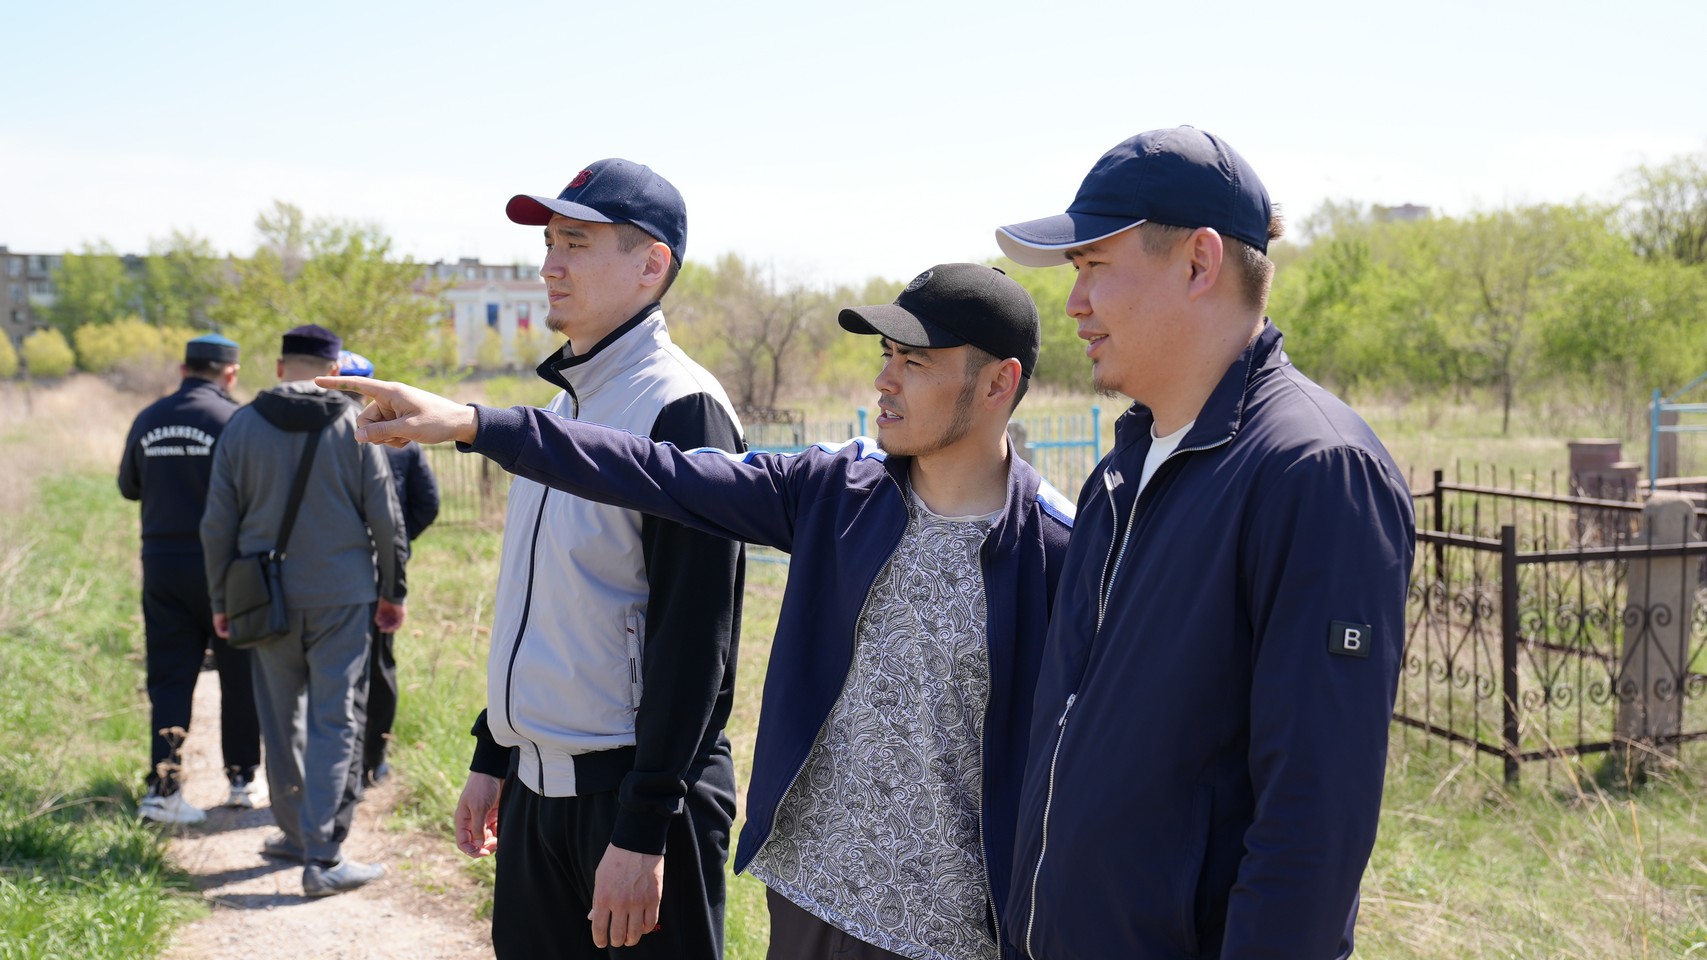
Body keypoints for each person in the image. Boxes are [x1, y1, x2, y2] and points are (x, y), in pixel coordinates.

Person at [324, 262, 1075, 960]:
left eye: (915, 361)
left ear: (997, 382)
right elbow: (656, 472)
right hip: (807, 899)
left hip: (951, 933)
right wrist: (475, 424)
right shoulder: (837, 491)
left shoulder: (1059, 555)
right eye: (886, 355)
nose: (885, 379)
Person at [988, 126, 1417, 959]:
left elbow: (1310, 827)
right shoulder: (1121, 471)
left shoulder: (1313, 472)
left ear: (1197, 262)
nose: (1073, 303)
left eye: (1093, 265)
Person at [395, 159, 746, 958]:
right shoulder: (559, 410)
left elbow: (696, 639)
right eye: (549, 243)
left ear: (650, 265)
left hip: (633, 803)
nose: (550, 266)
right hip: (536, 789)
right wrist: (494, 752)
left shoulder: (681, 408)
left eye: (576, 244)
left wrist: (643, 826)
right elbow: (544, 603)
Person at [200, 324, 407, 897]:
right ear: (334, 370)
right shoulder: (353, 424)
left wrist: (220, 600)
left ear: (278, 367)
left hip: (264, 599)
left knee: (280, 719)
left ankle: (294, 835)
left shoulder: (242, 425)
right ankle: (323, 854)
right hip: (343, 597)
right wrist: (393, 590)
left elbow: (216, 524)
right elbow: (386, 517)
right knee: (335, 719)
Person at [119, 333, 264, 825]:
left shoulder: (148, 418)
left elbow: (128, 486)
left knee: (169, 676)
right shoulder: (238, 420)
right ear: (231, 373)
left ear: (183, 370)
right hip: (225, 566)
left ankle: (162, 790)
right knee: (239, 674)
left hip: (162, 563)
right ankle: (242, 780)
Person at [336, 349, 440, 785]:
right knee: (379, 666)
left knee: (330, 665)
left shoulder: (318, 437)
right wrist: (394, 544)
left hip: (330, 570)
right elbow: (427, 504)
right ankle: (374, 759)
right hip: (383, 569)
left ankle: (338, 760)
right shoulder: (396, 438)